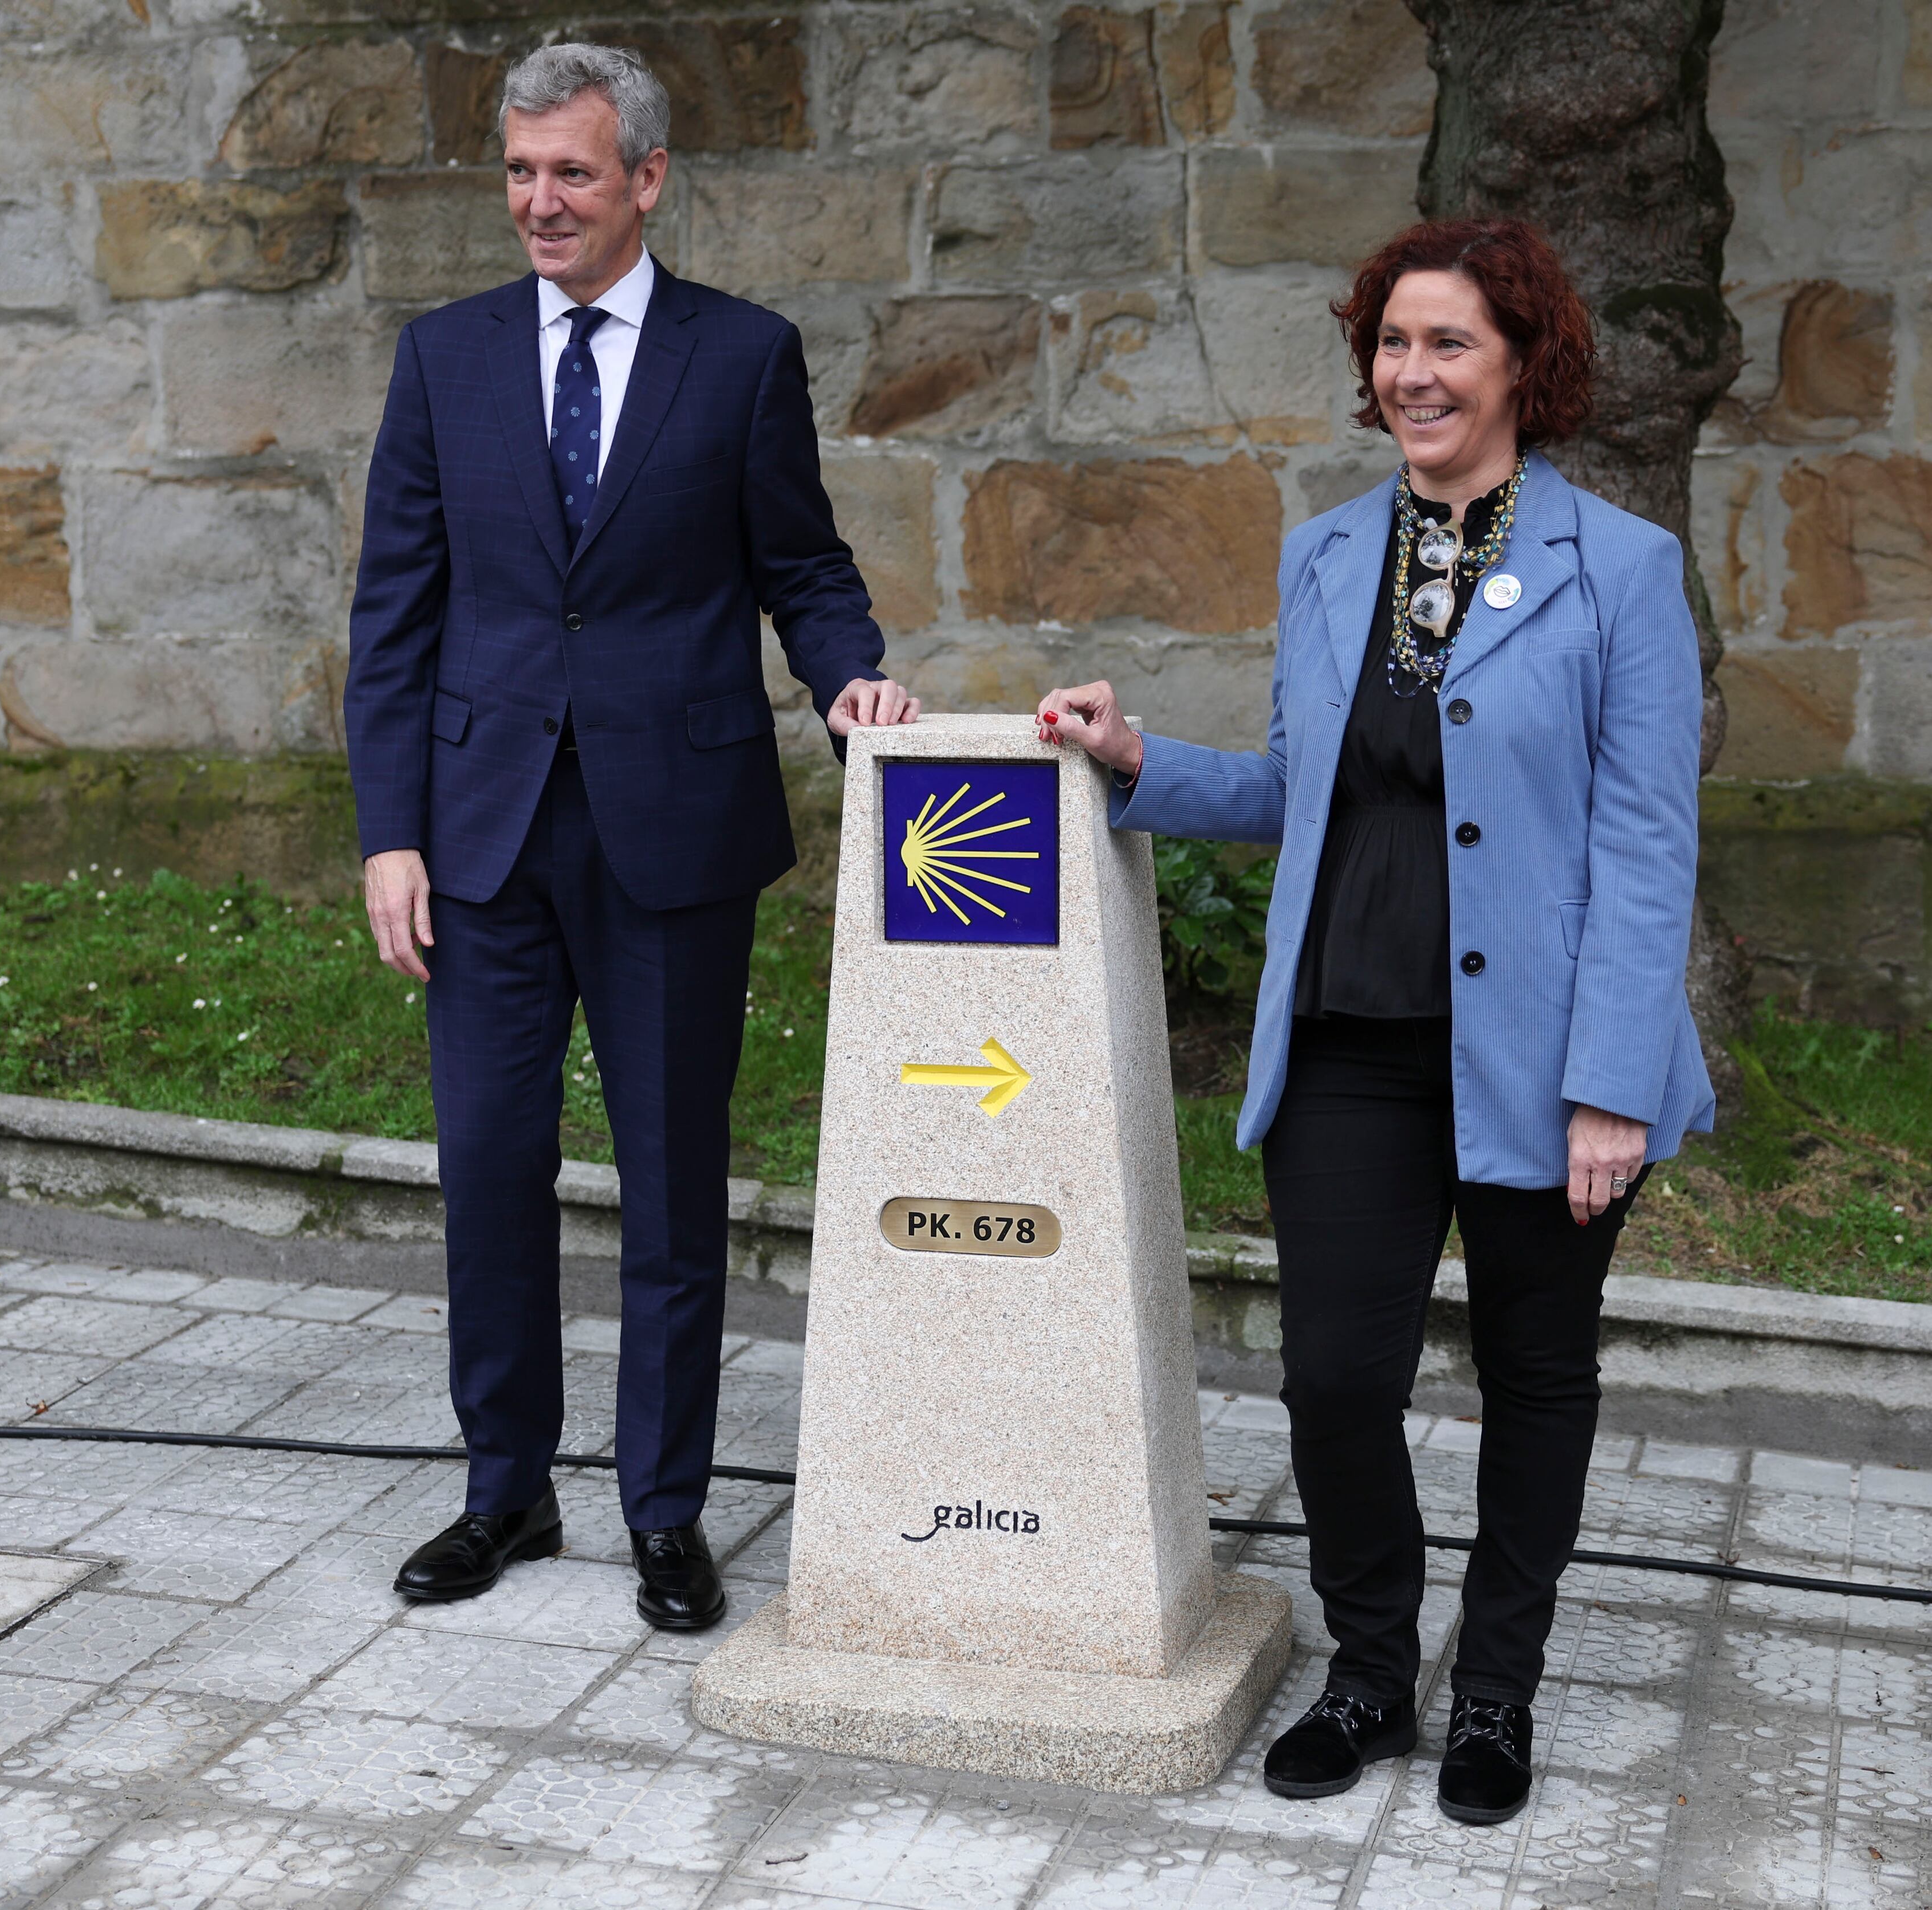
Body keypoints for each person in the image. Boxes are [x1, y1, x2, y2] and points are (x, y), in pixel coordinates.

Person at [1035, 219, 1712, 1822]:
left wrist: (1613, 1082)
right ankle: (1369, 1668)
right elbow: (1303, 789)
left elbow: (1647, 838)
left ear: (1522, 367)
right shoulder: (1332, 555)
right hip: (1349, 1033)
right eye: (1393, 345)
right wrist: (1142, 764)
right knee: (1336, 1377)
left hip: (1550, 1061)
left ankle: (1494, 1698)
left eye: (1447, 344)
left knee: (1538, 1375)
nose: (1411, 373)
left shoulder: (1623, 569)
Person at [346, 43, 918, 1633]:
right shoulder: (443, 357)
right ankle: (504, 1492)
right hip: (480, 838)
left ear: (645, 178)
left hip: (677, 827)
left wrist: (853, 682)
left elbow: (800, 566)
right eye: (521, 172)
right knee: (491, 1170)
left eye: (573, 174)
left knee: (671, 1184)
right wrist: (390, 831)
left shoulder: (741, 358)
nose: (540, 201)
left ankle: (665, 1508)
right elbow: (393, 615)